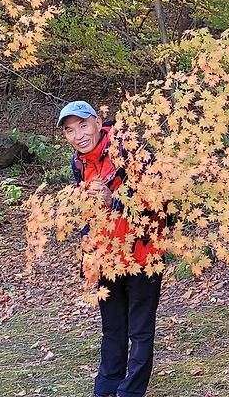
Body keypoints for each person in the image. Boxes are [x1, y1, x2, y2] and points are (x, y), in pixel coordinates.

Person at [59, 100, 163, 397]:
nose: (78, 135)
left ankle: (130, 392)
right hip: (107, 255)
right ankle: (105, 388)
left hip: (142, 253)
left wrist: (114, 200)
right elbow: (88, 212)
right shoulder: (79, 163)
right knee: (113, 327)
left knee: (140, 330)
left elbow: (158, 201)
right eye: (70, 130)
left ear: (97, 122)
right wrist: (87, 248)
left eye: (83, 125)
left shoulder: (128, 150)